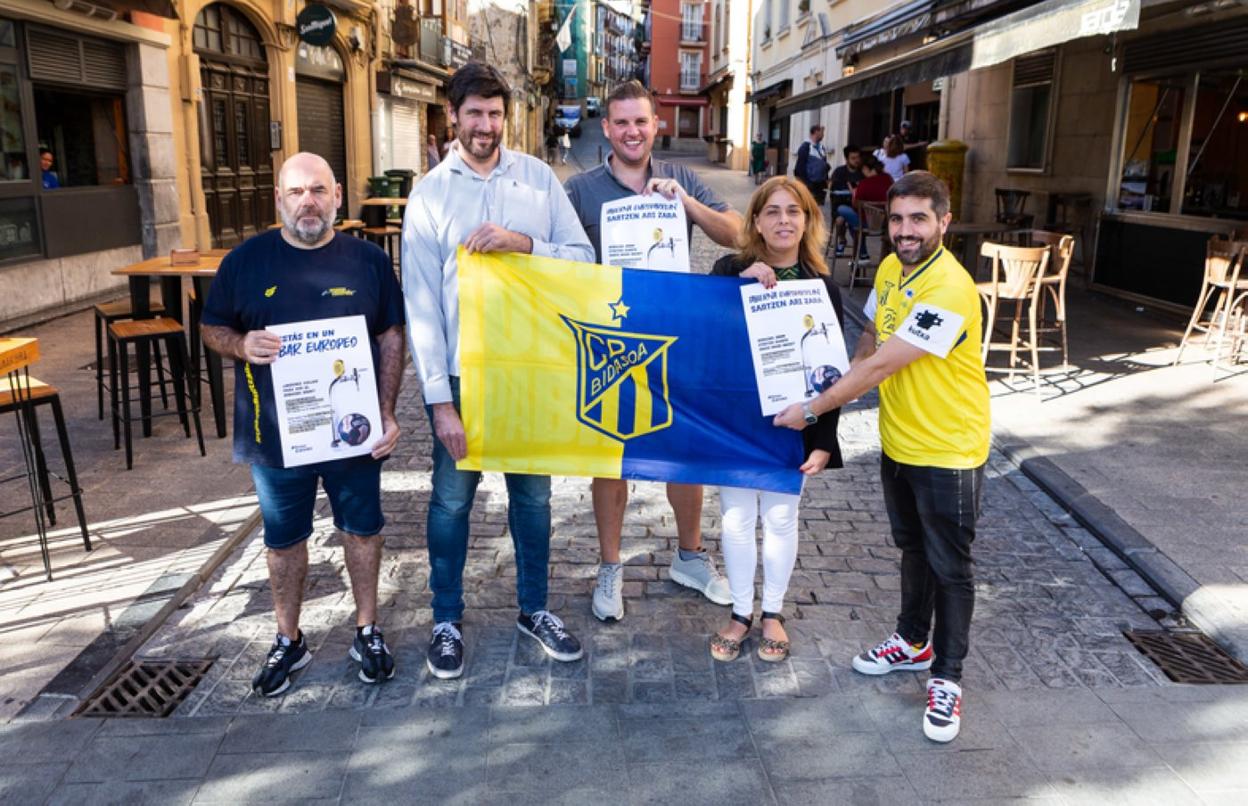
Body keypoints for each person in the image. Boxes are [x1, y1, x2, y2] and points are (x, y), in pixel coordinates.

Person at [775, 171, 990, 744]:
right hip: (899, 441)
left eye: (919, 218)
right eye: (897, 219)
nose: (905, 230)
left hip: (949, 449)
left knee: (951, 568)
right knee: (912, 549)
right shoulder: (893, 267)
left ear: (944, 221)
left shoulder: (950, 288)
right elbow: (870, 334)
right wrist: (842, 369)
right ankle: (912, 640)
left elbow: (882, 366)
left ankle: (947, 676)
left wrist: (815, 408)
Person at [403, 62, 595, 680]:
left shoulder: (538, 180)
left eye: (494, 113)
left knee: (533, 498)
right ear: (452, 116)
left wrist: (524, 243)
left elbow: (583, 259)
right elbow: (421, 306)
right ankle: (446, 619)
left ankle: (534, 609)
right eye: (474, 114)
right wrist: (439, 402)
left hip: (527, 373)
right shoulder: (429, 194)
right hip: (462, 376)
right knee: (451, 502)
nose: (485, 125)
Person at [200, 153, 406, 697]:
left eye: (318, 190)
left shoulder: (368, 261)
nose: (308, 202)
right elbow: (211, 327)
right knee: (283, 539)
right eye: (296, 192)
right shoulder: (245, 262)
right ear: (279, 200)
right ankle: (288, 638)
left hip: (352, 431)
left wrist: (386, 411)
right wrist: (240, 344)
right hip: (274, 438)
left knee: (362, 530)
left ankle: (367, 629)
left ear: (337, 195)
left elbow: (390, 335)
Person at [563, 79, 742, 623]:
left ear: (655, 125)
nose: (631, 131)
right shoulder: (580, 189)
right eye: (621, 122)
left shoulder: (681, 178)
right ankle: (610, 566)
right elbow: (555, 257)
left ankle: (690, 556)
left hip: (674, 339)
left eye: (640, 121)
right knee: (611, 457)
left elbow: (736, 232)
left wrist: (686, 203)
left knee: (684, 452)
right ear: (606, 127)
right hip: (609, 341)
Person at [708, 176, 843, 663]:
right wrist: (735, 289)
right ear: (757, 222)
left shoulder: (822, 286)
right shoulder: (729, 270)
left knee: (782, 517)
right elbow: (703, 331)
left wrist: (823, 438)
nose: (784, 220)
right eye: (773, 211)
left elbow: (833, 371)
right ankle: (740, 612)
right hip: (736, 417)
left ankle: (773, 612)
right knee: (737, 518)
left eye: (794, 211)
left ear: (807, 221)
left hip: (792, 421)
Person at [834, 154, 892, 260]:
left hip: (867, 223)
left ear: (865, 168)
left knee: (842, 210)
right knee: (852, 224)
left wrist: (854, 193)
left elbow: (856, 206)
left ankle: (863, 252)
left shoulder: (864, 184)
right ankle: (862, 254)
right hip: (885, 222)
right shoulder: (888, 178)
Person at [829, 146, 863, 252]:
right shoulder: (839, 172)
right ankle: (842, 240)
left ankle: (859, 248)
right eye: (853, 158)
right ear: (847, 159)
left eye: (858, 157)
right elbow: (832, 190)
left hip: (858, 206)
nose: (856, 160)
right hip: (840, 204)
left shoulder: (862, 172)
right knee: (840, 220)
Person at [793, 124, 829, 206]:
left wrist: (825, 181)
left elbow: (823, 166)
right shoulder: (805, 147)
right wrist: (807, 184)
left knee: (817, 207)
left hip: (820, 185)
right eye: (822, 132)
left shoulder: (821, 148)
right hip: (810, 184)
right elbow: (800, 168)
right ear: (816, 132)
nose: (823, 135)